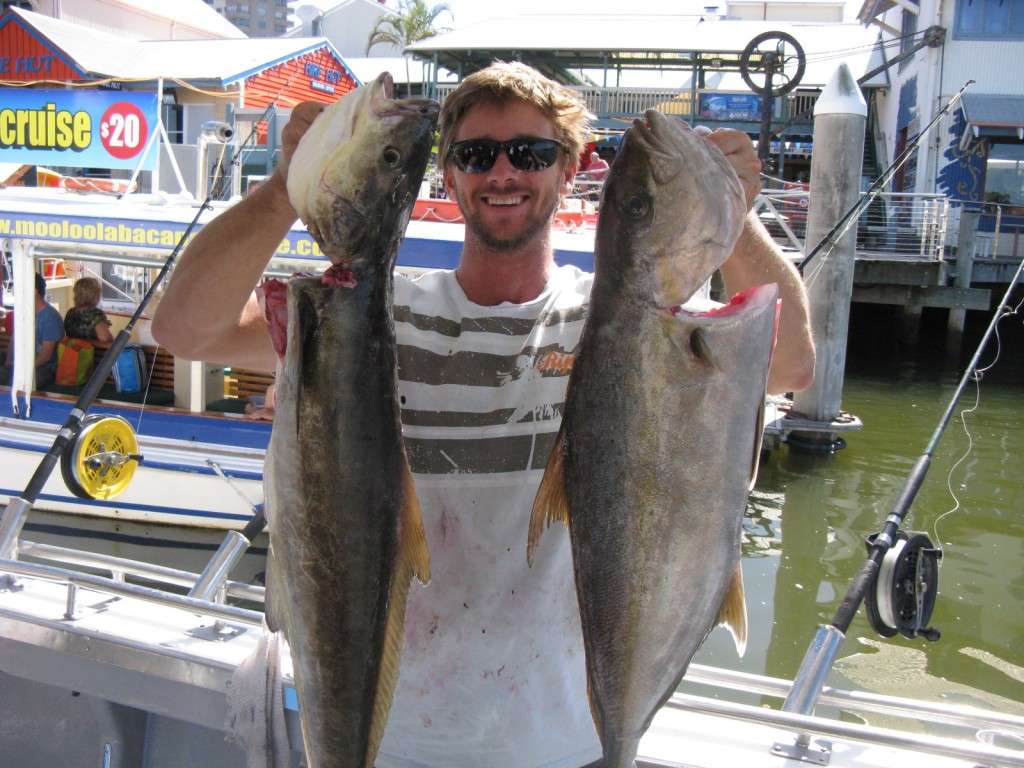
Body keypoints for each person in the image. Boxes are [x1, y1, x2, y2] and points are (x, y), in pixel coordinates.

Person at [152, 62, 814, 767]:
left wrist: (729, 214)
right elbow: (187, 332)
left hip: (568, 747)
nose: (504, 172)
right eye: (476, 154)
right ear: (448, 171)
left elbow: (789, 368)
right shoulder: (366, 314)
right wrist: (286, 189)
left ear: (571, 169)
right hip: (384, 744)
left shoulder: (621, 327)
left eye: (531, 153)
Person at [0, 272, 65, 388]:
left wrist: (22, 369)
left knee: (21, 384)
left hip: (45, 369)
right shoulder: (23, 313)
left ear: (34, 291)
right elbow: (15, 339)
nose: (17, 291)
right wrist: (9, 362)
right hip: (23, 366)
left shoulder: (50, 318)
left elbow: (46, 356)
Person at [64, 276, 114, 344]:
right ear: (95, 295)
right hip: (92, 353)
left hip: (73, 352)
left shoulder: (70, 312)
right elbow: (106, 339)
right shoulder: (95, 313)